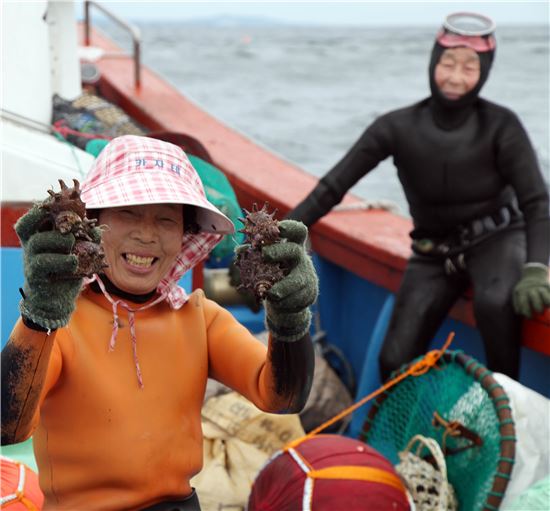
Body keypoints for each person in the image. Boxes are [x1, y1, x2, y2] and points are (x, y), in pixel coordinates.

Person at [1, 135, 318, 511]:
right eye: (128, 214)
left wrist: (290, 320)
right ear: (92, 222)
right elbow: (8, 427)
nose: (146, 234)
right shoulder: (62, 323)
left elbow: (282, 398)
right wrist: (39, 317)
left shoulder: (200, 319)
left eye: (166, 220)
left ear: (185, 236)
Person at [287, 12, 550, 382]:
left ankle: (504, 403)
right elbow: (333, 187)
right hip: (432, 252)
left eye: (469, 67)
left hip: (498, 240)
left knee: (495, 304)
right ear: (433, 62)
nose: (456, 77)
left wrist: (538, 268)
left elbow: (537, 202)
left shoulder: (501, 126)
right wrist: (284, 233)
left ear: (484, 73)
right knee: (393, 359)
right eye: (448, 63)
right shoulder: (397, 127)